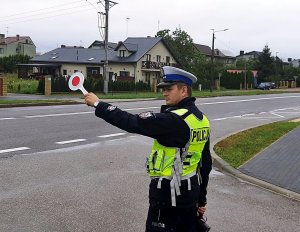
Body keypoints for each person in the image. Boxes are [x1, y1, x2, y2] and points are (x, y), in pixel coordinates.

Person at [84, 66, 212, 232]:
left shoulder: (173, 120)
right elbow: (205, 165)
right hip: (190, 194)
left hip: (167, 196)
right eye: (163, 89)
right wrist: (201, 200)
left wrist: (98, 104)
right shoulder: (202, 120)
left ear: (184, 90)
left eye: (169, 89)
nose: (164, 93)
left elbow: (130, 121)